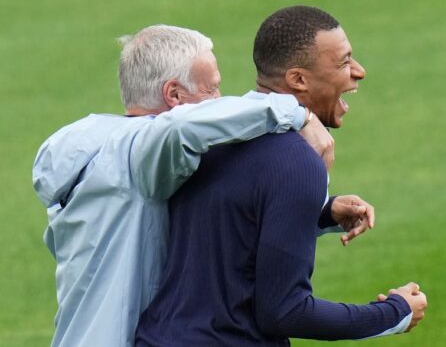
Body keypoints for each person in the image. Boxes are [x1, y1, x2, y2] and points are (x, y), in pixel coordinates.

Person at [32, 24, 368, 347]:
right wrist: (298, 112)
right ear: (174, 94)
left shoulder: (105, 149)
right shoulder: (137, 155)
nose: (221, 99)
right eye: (212, 89)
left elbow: (205, 218)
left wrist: (321, 213)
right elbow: (182, 129)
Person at [135, 6, 428, 346]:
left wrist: (321, 213)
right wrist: (396, 312)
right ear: (298, 79)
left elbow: (227, 223)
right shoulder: (297, 161)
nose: (359, 72)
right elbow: (284, 310)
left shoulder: (202, 140)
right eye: (344, 62)